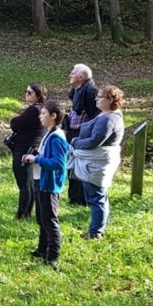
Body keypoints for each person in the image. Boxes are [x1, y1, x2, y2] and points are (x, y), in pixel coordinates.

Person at [71, 85, 125, 240]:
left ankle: (96, 233)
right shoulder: (106, 114)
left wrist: (75, 142)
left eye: (100, 97)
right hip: (95, 161)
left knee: (97, 198)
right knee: (99, 197)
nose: (96, 99)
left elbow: (94, 141)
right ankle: (96, 229)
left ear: (110, 99)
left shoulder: (109, 119)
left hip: (97, 162)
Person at [23, 100, 69, 265]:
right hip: (40, 180)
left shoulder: (56, 137)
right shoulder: (49, 134)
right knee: (42, 218)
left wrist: (36, 159)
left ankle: (53, 256)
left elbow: (58, 163)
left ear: (53, 116)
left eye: (43, 114)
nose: (40, 116)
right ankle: (42, 250)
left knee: (50, 220)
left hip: (49, 184)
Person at [8, 82, 47, 220]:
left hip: (24, 148)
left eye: (30, 92)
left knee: (24, 183)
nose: (26, 94)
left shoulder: (34, 110)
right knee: (29, 182)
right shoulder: (40, 109)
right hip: (32, 148)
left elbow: (16, 124)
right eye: (26, 91)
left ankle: (22, 213)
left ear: (38, 95)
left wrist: (14, 121)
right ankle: (27, 211)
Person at [65, 64, 99, 206]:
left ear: (81, 77)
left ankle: (81, 199)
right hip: (74, 132)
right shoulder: (77, 90)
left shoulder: (91, 91)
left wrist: (85, 134)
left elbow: (94, 116)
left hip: (82, 135)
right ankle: (74, 198)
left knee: (80, 166)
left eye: (72, 73)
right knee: (71, 165)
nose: (69, 75)